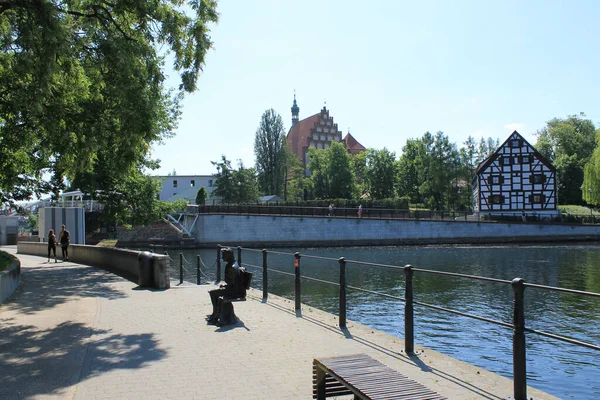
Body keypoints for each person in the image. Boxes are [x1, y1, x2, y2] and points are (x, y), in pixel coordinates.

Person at [206, 248, 245, 325]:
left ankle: (216, 314)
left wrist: (225, 286)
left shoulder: (232, 267)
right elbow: (232, 282)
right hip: (234, 289)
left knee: (212, 293)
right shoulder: (232, 264)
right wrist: (225, 286)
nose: (222, 257)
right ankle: (216, 313)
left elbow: (232, 283)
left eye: (224, 255)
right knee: (216, 291)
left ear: (228, 256)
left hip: (235, 291)